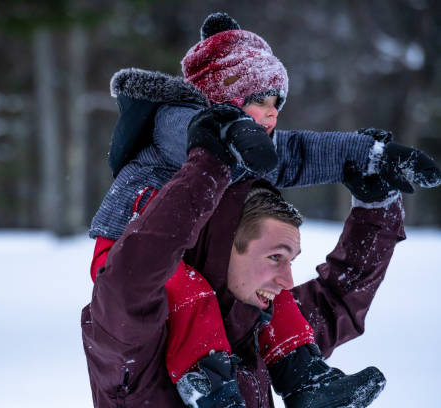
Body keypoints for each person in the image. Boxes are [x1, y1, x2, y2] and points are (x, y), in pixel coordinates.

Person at [83, 12, 441, 408]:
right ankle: (209, 383)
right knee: (189, 291)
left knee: (273, 300)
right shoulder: (135, 334)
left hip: (189, 260)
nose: (272, 113)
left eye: (276, 103)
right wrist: (214, 144)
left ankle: (305, 375)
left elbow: (300, 155)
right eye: (260, 102)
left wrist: (371, 165)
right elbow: (136, 275)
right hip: (125, 250)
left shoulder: (251, 316)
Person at [81, 105, 408, 406]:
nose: (288, 280)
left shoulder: (260, 329)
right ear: (223, 249)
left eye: (291, 260)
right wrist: (209, 162)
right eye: (275, 257)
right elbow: (133, 276)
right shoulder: (132, 337)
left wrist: (376, 209)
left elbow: (337, 300)